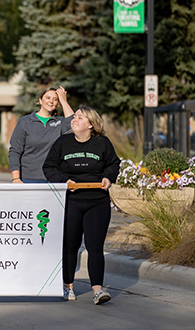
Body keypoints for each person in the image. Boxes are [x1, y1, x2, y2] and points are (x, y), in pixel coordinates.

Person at [42, 106, 120, 305]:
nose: (74, 120)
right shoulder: (63, 142)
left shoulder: (102, 143)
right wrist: (64, 180)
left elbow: (113, 164)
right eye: (74, 116)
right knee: (70, 246)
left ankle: (97, 290)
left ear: (91, 124)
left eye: (79, 117)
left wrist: (108, 177)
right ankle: (68, 286)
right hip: (71, 201)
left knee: (95, 247)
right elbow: (49, 167)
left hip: (97, 202)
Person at [8, 86, 75, 183]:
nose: (51, 101)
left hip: (53, 178)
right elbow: (15, 151)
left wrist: (64, 101)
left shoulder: (60, 122)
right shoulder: (25, 122)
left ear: (58, 104)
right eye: (48, 98)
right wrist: (16, 178)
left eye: (55, 99)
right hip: (28, 178)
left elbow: (74, 125)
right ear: (40, 100)